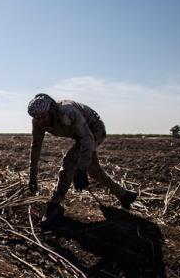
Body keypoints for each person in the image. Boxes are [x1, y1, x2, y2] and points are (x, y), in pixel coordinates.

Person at [27, 93, 138, 228]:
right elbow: (36, 146)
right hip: (80, 135)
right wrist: (32, 176)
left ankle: (55, 203)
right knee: (94, 171)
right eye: (36, 118)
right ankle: (124, 195)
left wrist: (80, 169)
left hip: (94, 130)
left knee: (69, 162)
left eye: (43, 117)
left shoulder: (68, 112)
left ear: (51, 110)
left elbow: (87, 138)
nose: (40, 122)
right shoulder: (38, 121)